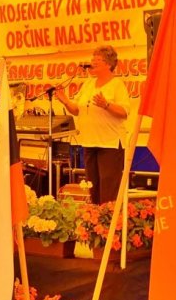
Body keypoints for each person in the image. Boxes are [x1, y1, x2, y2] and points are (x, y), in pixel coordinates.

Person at [55, 45, 130, 204]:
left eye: (97, 60)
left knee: (108, 187)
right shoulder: (88, 84)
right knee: (93, 186)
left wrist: (106, 105)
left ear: (108, 64)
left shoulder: (117, 84)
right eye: (92, 59)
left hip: (110, 143)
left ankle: (108, 218)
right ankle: (95, 216)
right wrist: (65, 101)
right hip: (89, 142)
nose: (92, 62)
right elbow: (77, 110)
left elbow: (124, 112)